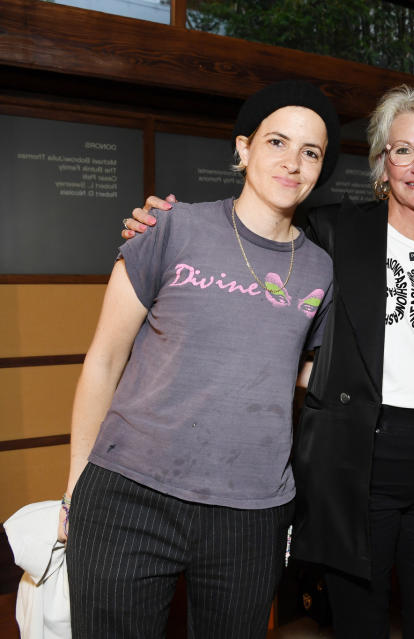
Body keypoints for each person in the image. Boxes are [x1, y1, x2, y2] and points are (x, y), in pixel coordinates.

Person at [125, 85, 414, 639]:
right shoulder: (334, 231)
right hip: (357, 458)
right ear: (381, 164)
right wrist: (159, 222)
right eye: (402, 150)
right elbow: (254, 243)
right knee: (358, 619)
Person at [64, 80, 338, 638]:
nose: (292, 162)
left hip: (252, 513)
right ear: (243, 149)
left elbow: (305, 372)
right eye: (277, 142)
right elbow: (105, 358)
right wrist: (76, 487)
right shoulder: (171, 227)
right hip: (129, 495)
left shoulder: (321, 270)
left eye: (310, 152)